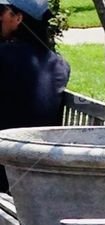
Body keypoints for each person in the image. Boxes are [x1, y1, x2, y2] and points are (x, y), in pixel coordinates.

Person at [0, 0, 70, 131]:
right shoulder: (61, 65)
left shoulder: (4, 55)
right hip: (42, 146)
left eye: (0, 10)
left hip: (6, 145)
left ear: (18, 18)